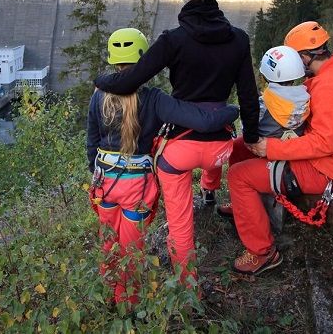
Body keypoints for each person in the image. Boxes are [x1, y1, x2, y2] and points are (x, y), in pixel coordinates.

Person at [94, 0, 260, 283]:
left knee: (181, 224)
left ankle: (187, 288)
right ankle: (210, 189)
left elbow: (128, 82)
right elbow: (247, 97)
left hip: (181, 149)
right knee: (218, 133)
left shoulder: (174, 40)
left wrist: (100, 80)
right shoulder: (239, 40)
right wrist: (253, 139)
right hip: (220, 148)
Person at [87, 27, 239, 304]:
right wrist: (231, 110)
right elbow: (201, 121)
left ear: (112, 58)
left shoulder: (99, 96)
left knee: (108, 241)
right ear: (145, 58)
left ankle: (107, 295)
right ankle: (127, 303)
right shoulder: (154, 98)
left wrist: (96, 174)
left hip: (104, 182)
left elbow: (92, 141)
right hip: (137, 186)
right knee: (132, 249)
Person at [219, 21, 333, 275]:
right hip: (319, 156)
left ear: (305, 57)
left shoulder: (332, 87)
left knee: (238, 176)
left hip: (325, 168)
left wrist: (271, 147)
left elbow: (325, 143)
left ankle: (263, 252)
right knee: (238, 148)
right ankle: (245, 209)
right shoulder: (328, 72)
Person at [216, 45, 309, 217]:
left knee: (238, 159)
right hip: (292, 146)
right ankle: (242, 202)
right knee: (237, 146)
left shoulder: (265, 102)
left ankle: (247, 214)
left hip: (269, 149)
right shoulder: (305, 96)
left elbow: (249, 128)